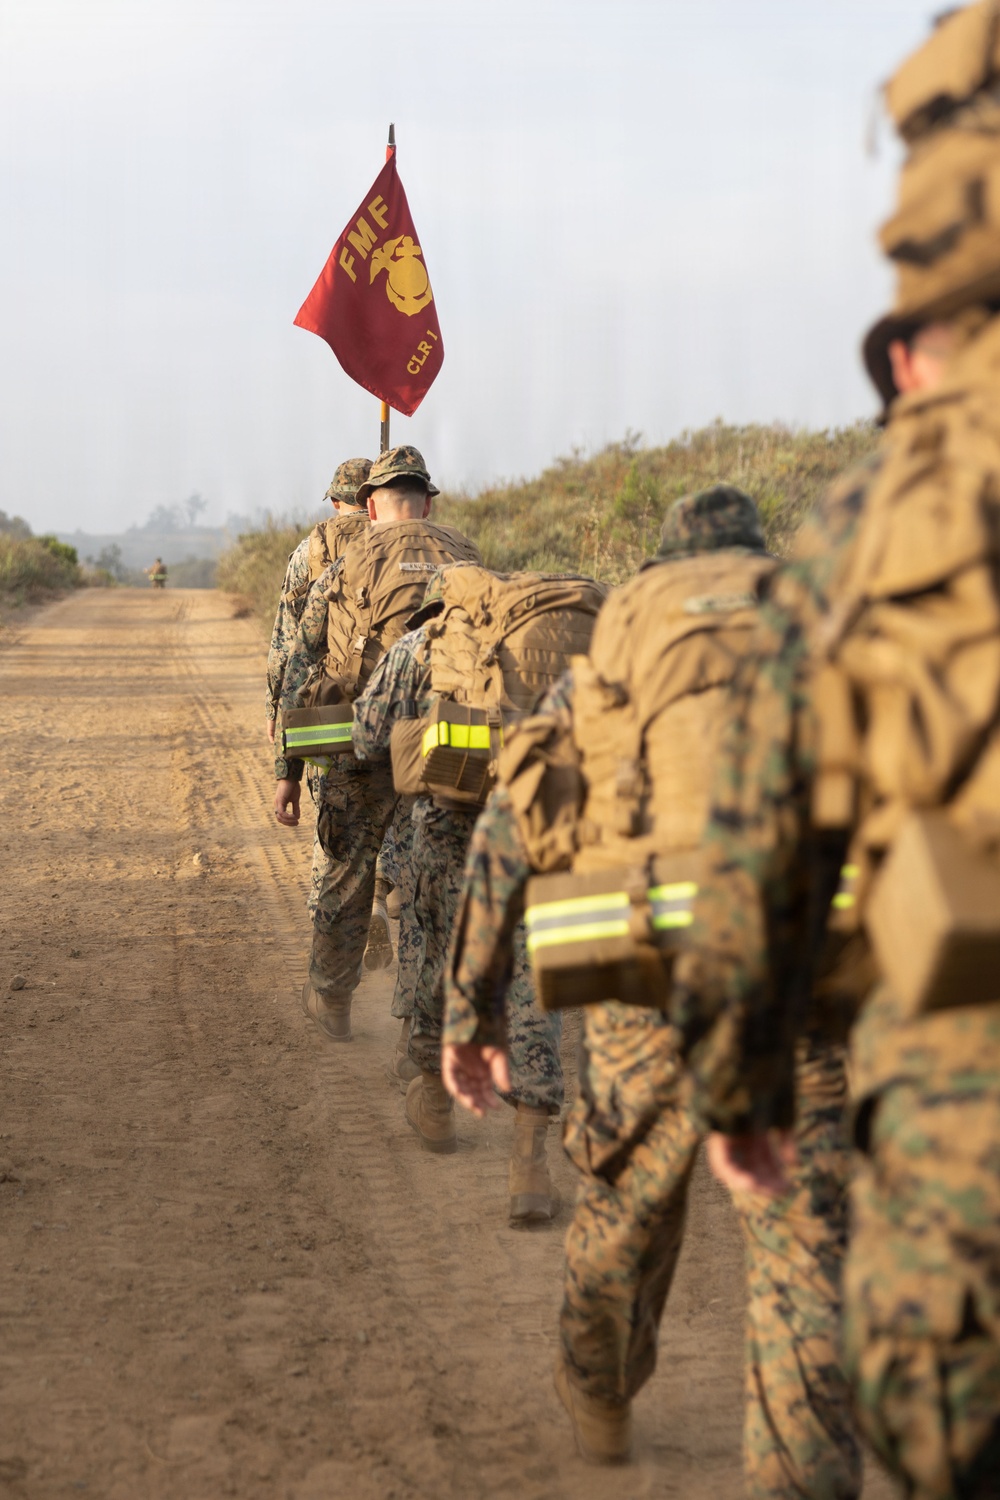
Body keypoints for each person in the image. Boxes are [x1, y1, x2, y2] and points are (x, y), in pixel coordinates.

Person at [671, 9, 1000, 1494]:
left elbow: (759, 859)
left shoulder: (868, 532)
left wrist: (741, 1090)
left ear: (913, 357)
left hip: (962, 1165)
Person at [441, 488, 862, 1494]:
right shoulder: (823, 633)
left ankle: (599, 1389)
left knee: (627, 1205)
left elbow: (513, 818)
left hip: (645, 970)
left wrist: (472, 1009)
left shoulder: (614, 657)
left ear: (663, 568)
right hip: (792, 982)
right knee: (803, 1258)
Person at [351, 562, 602, 1219]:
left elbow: (367, 734)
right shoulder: (571, 644)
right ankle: (529, 1166)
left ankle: (436, 1102)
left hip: (450, 826)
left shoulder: (429, 642)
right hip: (546, 826)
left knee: (441, 958)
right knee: (536, 983)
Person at [274, 445, 481, 1049]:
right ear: (428, 502)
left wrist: (289, 769)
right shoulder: (469, 559)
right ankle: (422, 1037)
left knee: (347, 870)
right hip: (449, 736)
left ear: (370, 506)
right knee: (431, 881)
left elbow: (300, 665)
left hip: (361, 737)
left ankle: (334, 1000)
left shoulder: (346, 563)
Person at [263, 456, 399, 971]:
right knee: (392, 811)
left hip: (328, 706)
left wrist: (278, 714)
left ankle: (335, 947)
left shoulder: (311, 551)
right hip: (398, 704)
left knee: (335, 821)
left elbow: (287, 643)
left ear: (337, 500)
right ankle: (382, 889)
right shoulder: (401, 544)